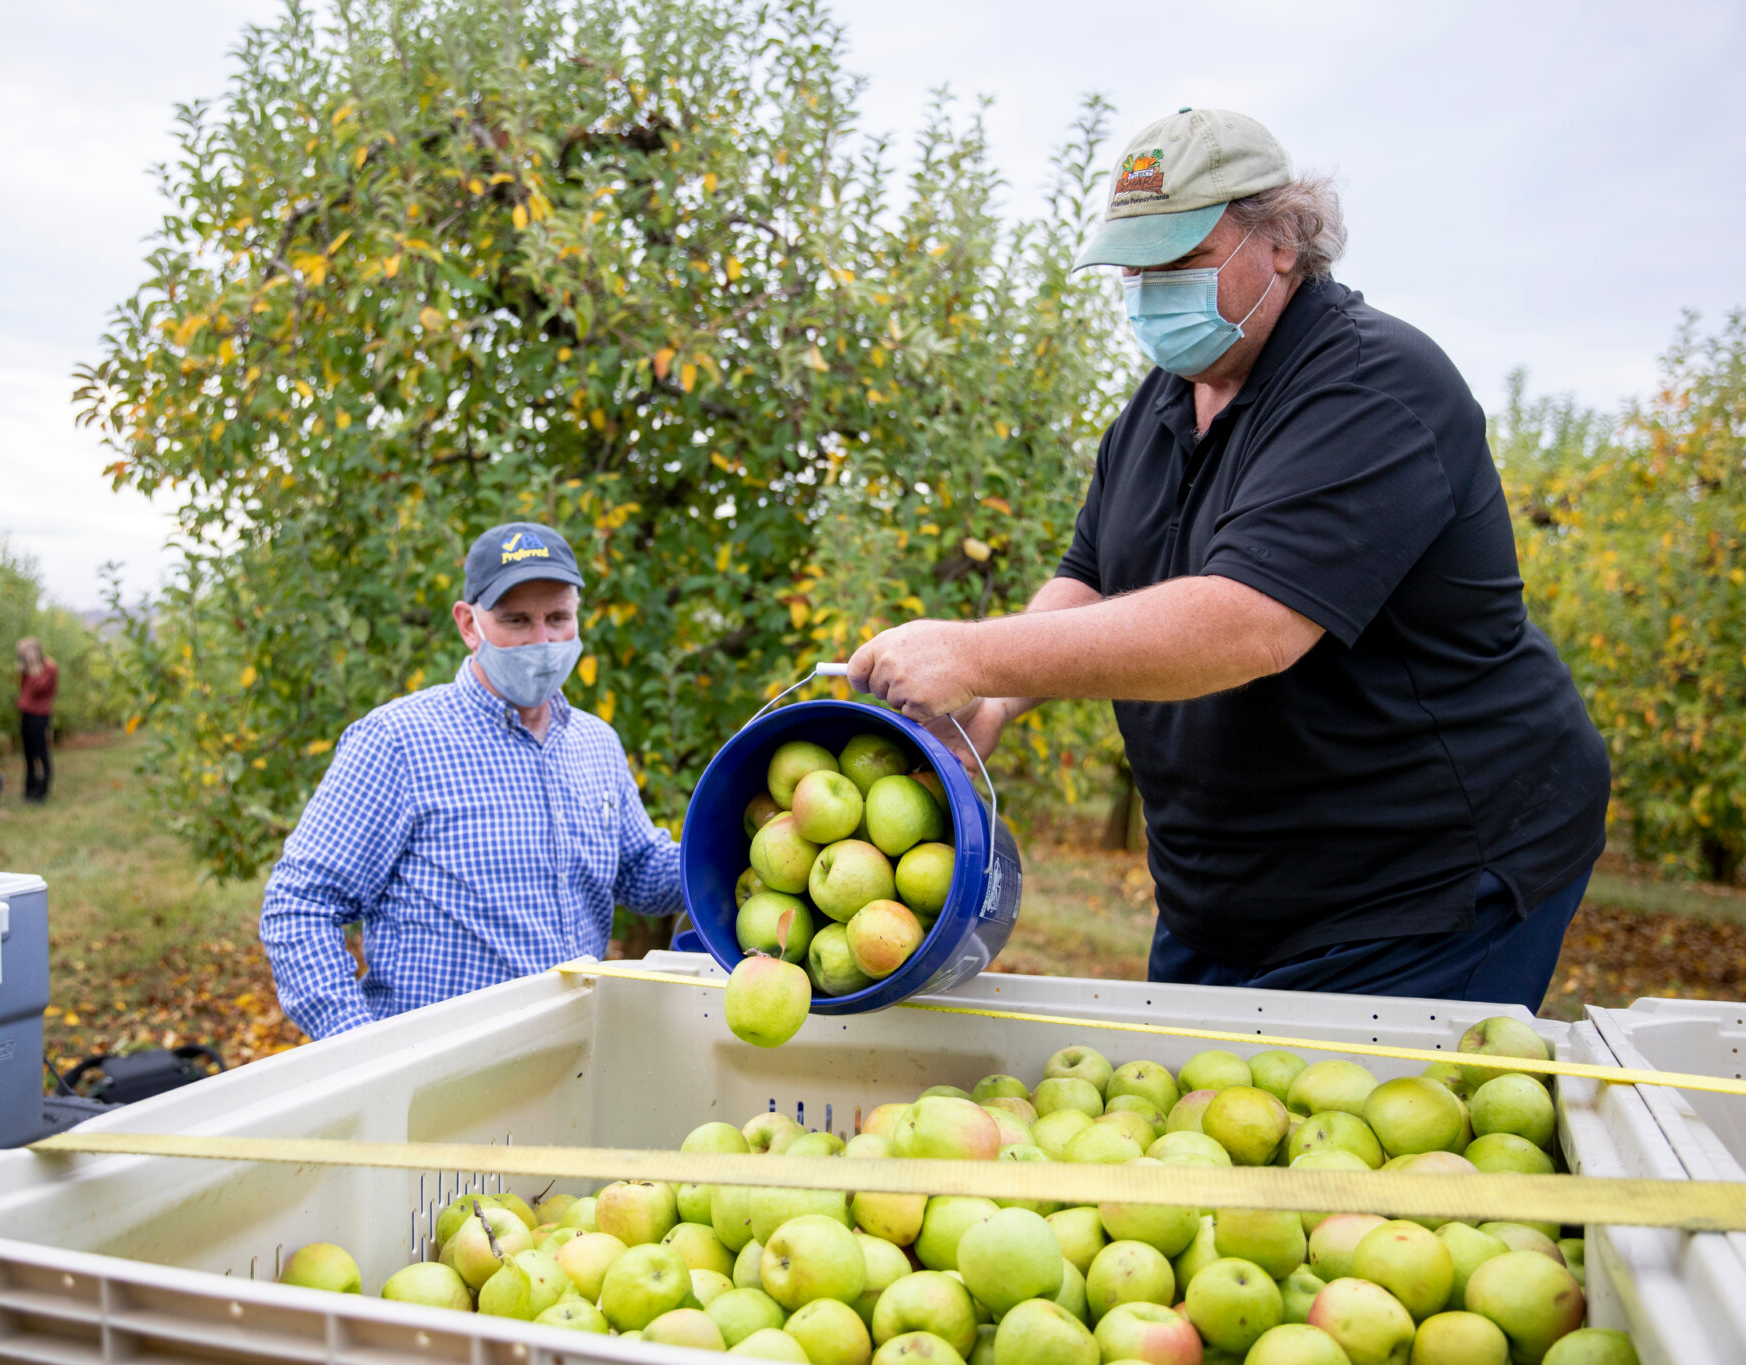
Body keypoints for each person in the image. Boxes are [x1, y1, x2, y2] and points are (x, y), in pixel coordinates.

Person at [846, 108, 1608, 1012]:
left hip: (1421, 890)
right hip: (1222, 898)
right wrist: (1000, 698)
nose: (1149, 288)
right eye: (1135, 266)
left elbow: (1248, 623)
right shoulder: (1157, 411)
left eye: (1177, 257)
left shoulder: (1373, 388)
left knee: (1343, 1147)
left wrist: (973, 653)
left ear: (1282, 240)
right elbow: (1090, 573)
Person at [260, 522, 683, 1035]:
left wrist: (737, 843)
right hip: (440, 1077)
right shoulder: (399, 741)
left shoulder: (596, 743)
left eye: (557, 618)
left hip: (574, 1062)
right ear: (469, 624)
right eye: (516, 620)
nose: (542, 640)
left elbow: (640, 872)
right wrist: (358, 1048)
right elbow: (300, 903)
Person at [15, 637, 58, 803]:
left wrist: (32, 669)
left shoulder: (49, 668)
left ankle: (42, 790)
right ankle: (30, 789)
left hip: (40, 715)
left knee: (42, 753)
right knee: (28, 754)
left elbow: (39, 688)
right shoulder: (26, 670)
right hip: (26, 713)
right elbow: (24, 692)